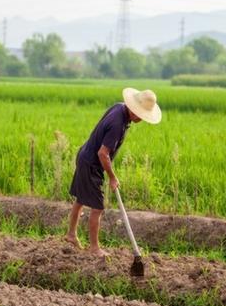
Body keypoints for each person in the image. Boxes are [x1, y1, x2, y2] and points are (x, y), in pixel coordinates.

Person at [65, 87, 162, 256]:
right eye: (142, 116)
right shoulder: (118, 124)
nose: (142, 119)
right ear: (135, 111)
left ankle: (71, 235)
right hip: (91, 164)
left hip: (84, 156)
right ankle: (94, 248)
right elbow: (103, 153)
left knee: (80, 199)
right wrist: (112, 177)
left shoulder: (119, 108)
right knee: (98, 208)